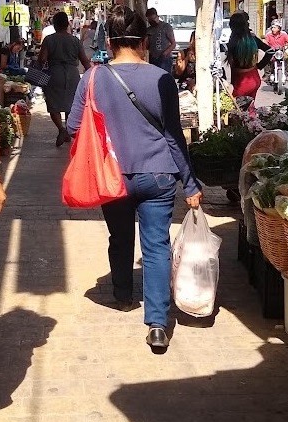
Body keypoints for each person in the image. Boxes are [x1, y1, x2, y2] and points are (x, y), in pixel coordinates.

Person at [67, 6, 203, 349]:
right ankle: (157, 323)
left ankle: (123, 294)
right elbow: (174, 134)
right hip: (158, 174)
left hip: (112, 175)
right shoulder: (161, 79)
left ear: (109, 42)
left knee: (120, 237)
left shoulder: (93, 78)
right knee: (156, 246)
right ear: (144, 40)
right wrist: (189, 183)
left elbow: (72, 127)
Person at [38, 12, 91, 147]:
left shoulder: (49, 40)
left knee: (53, 104)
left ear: (54, 25)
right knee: (71, 103)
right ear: (67, 24)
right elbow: (85, 62)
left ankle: (61, 130)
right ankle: (67, 128)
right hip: (72, 74)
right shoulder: (75, 41)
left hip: (54, 74)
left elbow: (42, 59)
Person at [225, 12, 272, 101]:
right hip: (254, 76)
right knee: (250, 108)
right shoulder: (252, 38)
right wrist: (259, 66)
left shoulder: (234, 41)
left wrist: (233, 82)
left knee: (237, 110)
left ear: (232, 26)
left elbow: (232, 65)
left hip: (242, 81)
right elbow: (270, 51)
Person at [145, 8, 176, 73]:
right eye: (150, 21)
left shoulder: (166, 27)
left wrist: (165, 53)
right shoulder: (149, 30)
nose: (152, 22)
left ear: (157, 17)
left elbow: (173, 43)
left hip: (165, 58)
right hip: (153, 58)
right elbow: (147, 46)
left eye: (153, 19)